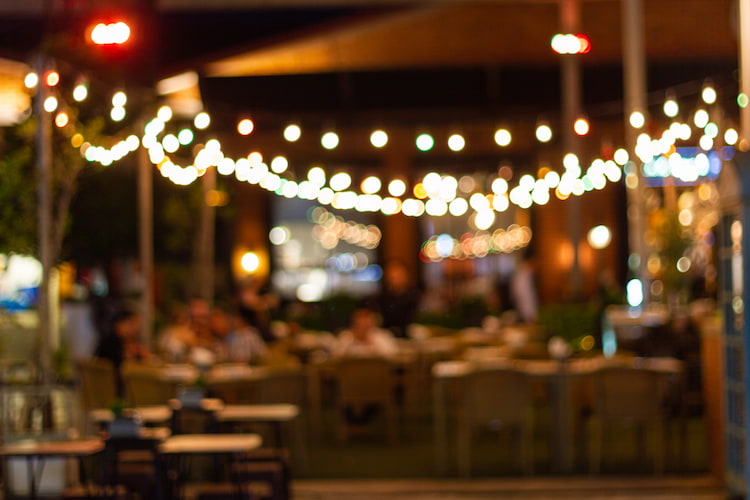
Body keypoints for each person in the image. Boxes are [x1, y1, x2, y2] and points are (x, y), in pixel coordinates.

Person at [95, 306, 151, 396]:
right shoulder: (112, 343)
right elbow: (126, 366)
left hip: (109, 389)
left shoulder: (127, 342)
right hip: (117, 390)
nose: (136, 327)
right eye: (132, 323)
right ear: (119, 324)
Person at [378, 260, 420, 339]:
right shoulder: (382, 298)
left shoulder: (413, 297)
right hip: (387, 336)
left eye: (398, 275)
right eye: (392, 276)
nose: (395, 279)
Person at [334, 307, 398, 358]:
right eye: (359, 319)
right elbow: (337, 357)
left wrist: (370, 340)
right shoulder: (346, 336)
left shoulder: (382, 335)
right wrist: (352, 340)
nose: (362, 323)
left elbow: (391, 356)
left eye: (365, 319)